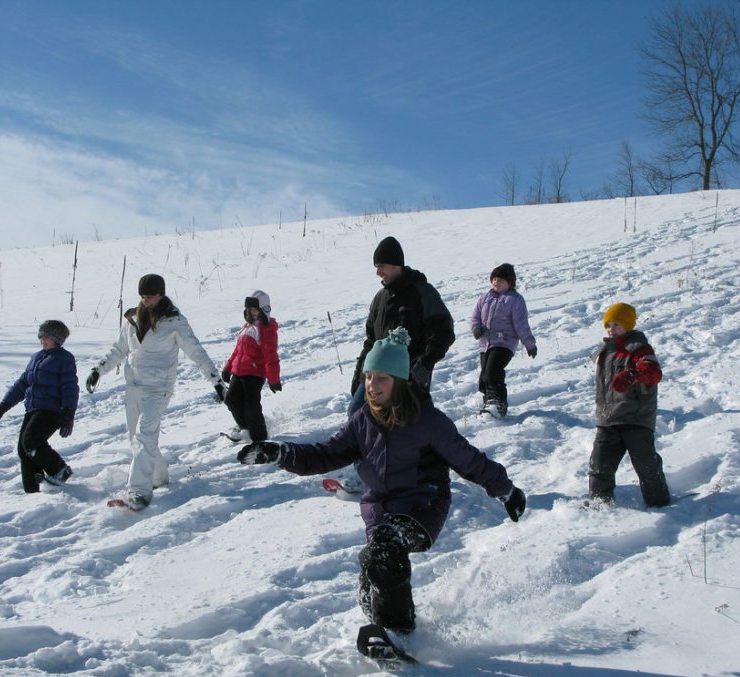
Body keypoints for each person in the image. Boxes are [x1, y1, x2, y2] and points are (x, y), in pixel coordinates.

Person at [238, 328, 526, 633]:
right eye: (368, 377)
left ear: (399, 381)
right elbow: (324, 454)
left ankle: (400, 633)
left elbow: (468, 459)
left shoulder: (428, 420)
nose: (372, 386)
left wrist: (506, 490)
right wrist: (280, 453)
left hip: (422, 506)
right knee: (372, 574)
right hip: (380, 510)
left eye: (382, 379)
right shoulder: (363, 420)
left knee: (385, 551)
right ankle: (382, 630)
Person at [85, 273, 224, 510]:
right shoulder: (132, 319)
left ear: (161, 295)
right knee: (137, 439)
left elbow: (196, 353)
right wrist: (98, 370)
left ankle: (139, 492)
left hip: (158, 389)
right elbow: (119, 349)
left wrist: (216, 381)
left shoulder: (175, 322)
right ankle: (159, 477)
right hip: (133, 387)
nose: (145, 300)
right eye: (142, 296)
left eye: (150, 296)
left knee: (144, 437)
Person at [347, 236, 454, 418]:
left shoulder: (423, 292)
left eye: (381, 266)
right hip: (376, 374)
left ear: (395, 264)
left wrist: (424, 365)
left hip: (408, 375)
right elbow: (371, 341)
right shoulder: (380, 299)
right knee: (357, 413)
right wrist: (360, 373)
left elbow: (443, 332)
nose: (377, 273)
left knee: (406, 421)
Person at [588, 302, 670, 507]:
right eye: (608, 325)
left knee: (645, 464)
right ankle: (600, 502)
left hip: (636, 417)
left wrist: (633, 374)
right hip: (608, 419)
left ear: (628, 326)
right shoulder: (605, 351)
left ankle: (659, 502)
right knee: (600, 463)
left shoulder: (639, 348)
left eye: (616, 325)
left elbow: (654, 373)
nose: (611, 329)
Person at [0, 320, 79, 493]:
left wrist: (69, 412)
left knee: (31, 441)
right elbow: (22, 384)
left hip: (53, 410)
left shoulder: (64, 358)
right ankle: (32, 490)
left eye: (48, 336)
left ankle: (60, 470)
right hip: (33, 408)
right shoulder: (36, 357)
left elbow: (70, 387)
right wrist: (3, 406)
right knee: (24, 450)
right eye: (41, 336)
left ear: (57, 339)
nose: (43, 339)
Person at [469, 263, 537, 417]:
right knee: (484, 376)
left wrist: (529, 344)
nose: (496, 282)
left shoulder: (515, 300)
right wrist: (476, 327)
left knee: (492, 372)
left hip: (504, 343)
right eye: (494, 279)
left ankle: (497, 403)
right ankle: (489, 401)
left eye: (500, 280)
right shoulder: (485, 297)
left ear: (509, 283)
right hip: (485, 344)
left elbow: (521, 324)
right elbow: (475, 316)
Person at [220, 291, 282, 442]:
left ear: (264, 309)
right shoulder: (246, 327)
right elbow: (237, 351)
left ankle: (259, 437)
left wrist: (274, 379)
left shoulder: (267, 330)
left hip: (254, 374)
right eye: (249, 310)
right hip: (238, 371)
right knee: (231, 400)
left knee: (251, 406)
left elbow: (271, 355)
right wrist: (228, 368)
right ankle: (245, 429)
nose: (252, 312)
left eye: (255, 309)